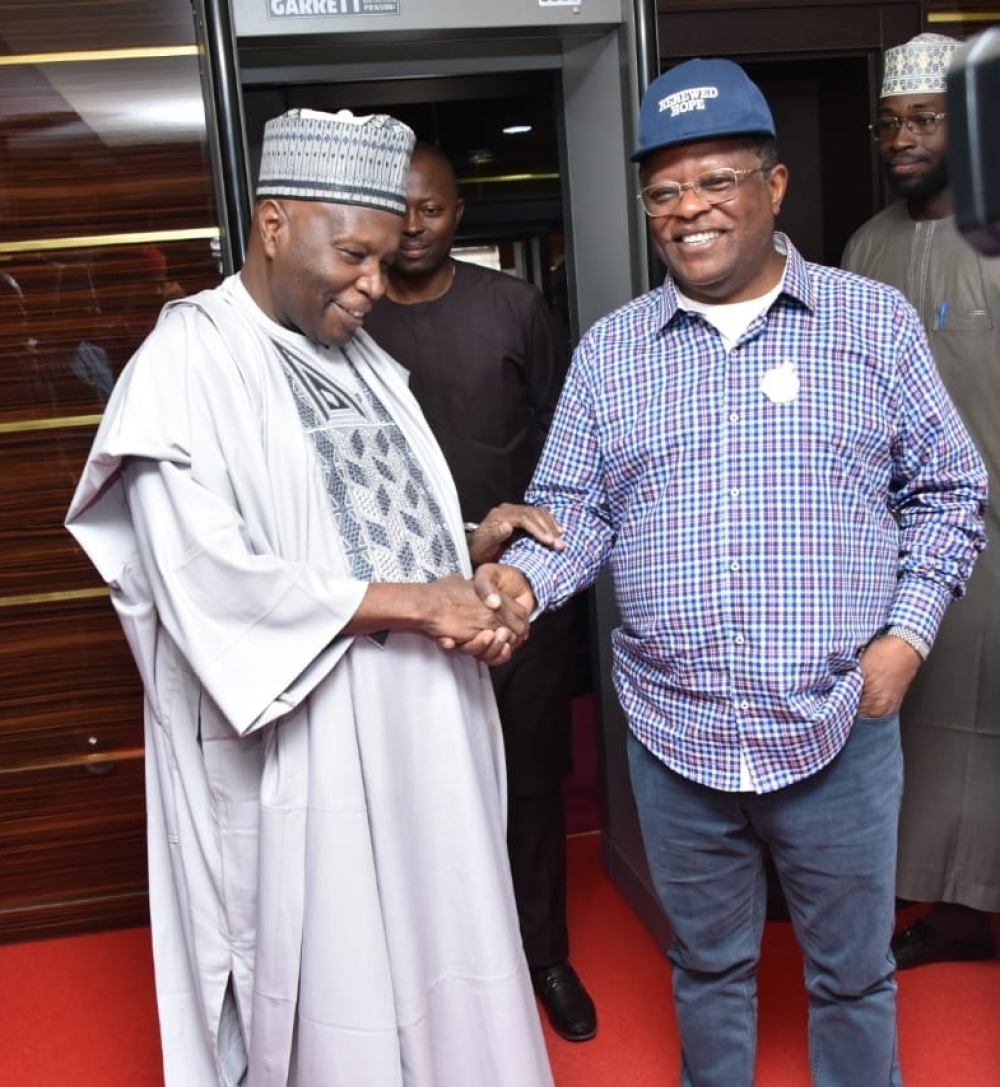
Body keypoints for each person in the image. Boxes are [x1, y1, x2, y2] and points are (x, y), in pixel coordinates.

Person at [473, 57, 988, 1085]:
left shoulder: (866, 323)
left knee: (850, 974)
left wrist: (906, 636)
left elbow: (950, 489)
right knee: (707, 968)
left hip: (837, 722)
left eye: (714, 181)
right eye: (664, 191)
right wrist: (518, 588)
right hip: (674, 732)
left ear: (774, 185)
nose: (688, 210)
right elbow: (575, 509)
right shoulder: (613, 351)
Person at [65, 107, 559, 1087]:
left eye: (385, 259)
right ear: (276, 220)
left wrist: (467, 558)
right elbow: (208, 579)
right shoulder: (189, 362)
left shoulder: (359, 355)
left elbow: (350, 530)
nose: (378, 286)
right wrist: (421, 606)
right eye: (356, 257)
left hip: (429, 739)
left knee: (448, 956)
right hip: (312, 752)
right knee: (345, 993)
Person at [364, 142, 597, 1042]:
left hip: (511, 591)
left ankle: (542, 953)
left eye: (430, 209)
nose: (414, 226)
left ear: (459, 214)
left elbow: (562, 447)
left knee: (531, 781)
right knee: (419, 785)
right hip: (400, 603)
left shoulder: (514, 306)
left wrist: (524, 569)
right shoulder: (354, 314)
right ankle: (434, 966)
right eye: (398, 210)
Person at [842, 31, 1000, 970]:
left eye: (926, 121)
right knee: (934, 730)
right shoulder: (868, 245)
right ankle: (952, 907)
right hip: (922, 541)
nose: (902, 140)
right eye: (891, 123)